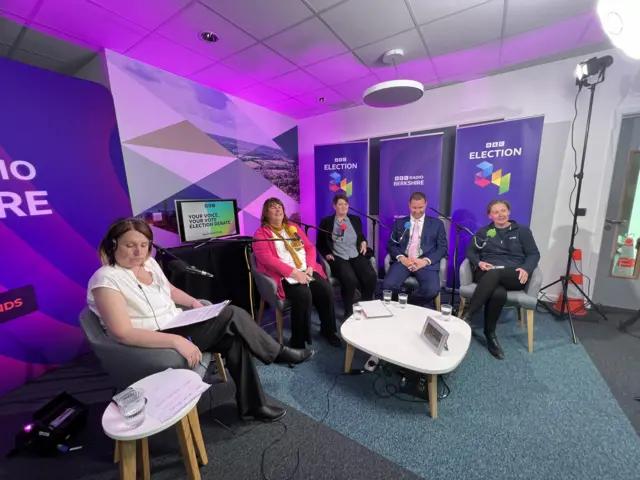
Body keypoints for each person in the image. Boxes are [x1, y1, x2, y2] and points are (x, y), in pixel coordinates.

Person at [87, 218, 313, 422]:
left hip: (176, 325)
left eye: (144, 245)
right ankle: (278, 353)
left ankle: (253, 406)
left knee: (235, 338)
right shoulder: (106, 279)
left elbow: (171, 290)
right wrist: (177, 342)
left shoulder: (149, 264)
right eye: (130, 245)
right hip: (152, 342)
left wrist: (195, 304)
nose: (138, 252)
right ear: (113, 245)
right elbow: (123, 333)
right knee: (233, 314)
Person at [253, 197, 340, 349]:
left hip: (305, 269)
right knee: (303, 295)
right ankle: (297, 342)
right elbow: (266, 259)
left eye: (280, 206)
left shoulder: (292, 227)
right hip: (283, 275)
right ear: (265, 214)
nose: (278, 209)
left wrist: (311, 267)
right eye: (273, 207)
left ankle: (328, 330)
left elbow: (310, 248)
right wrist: (293, 273)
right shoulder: (261, 234)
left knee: (326, 290)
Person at [461, 199, 540, 360]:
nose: (500, 214)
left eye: (503, 210)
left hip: (513, 274)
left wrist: (526, 268)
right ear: (490, 215)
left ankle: (468, 314)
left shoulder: (522, 231)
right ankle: (490, 335)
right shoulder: (484, 232)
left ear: (509, 212)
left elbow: (534, 254)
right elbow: (470, 251)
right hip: (487, 271)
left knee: (495, 275)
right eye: (495, 212)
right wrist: (479, 262)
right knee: (497, 293)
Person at [317, 194, 377, 320]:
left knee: (370, 276)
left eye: (345, 204)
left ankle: (365, 305)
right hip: (338, 256)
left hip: (355, 253)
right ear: (334, 206)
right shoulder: (327, 222)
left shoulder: (355, 219)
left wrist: (364, 242)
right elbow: (320, 243)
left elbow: (360, 236)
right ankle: (349, 312)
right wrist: (327, 254)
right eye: (340, 204)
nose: (343, 207)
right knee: (350, 280)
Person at [383, 192, 447, 306]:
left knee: (431, 290)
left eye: (420, 207)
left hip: (425, 263)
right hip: (404, 261)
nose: (417, 211)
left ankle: (407, 305)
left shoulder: (437, 224)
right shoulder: (399, 223)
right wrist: (402, 258)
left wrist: (425, 261)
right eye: (414, 207)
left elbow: (442, 248)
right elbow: (391, 245)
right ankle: (398, 308)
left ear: (426, 205)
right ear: (409, 205)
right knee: (388, 285)